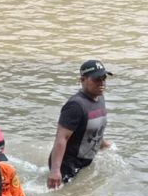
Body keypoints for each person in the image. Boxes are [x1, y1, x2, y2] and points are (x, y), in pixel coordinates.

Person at [47, 60, 112, 188]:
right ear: (82, 80)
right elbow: (61, 138)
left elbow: (92, 127)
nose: (102, 83)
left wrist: (102, 143)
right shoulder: (75, 105)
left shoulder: (100, 98)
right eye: (97, 79)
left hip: (85, 160)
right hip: (68, 164)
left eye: (104, 78)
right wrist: (55, 171)